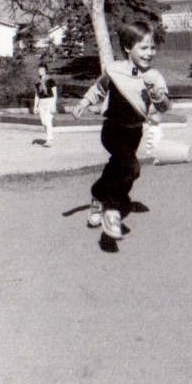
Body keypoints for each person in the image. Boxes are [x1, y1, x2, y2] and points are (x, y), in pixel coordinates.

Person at [72, 20, 170, 240]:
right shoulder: (115, 70)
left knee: (118, 167)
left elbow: (165, 105)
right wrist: (84, 103)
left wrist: (157, 96)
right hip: (112, 129)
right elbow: (99, 88)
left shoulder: (154, 76)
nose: (149, 53)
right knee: (130, 167)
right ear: (127, 48)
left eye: (152, 47)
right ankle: (113, 212)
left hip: (134, 132)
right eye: (143, 47)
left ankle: (98, 196)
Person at [33, 63, 58, 147]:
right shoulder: (37, 82)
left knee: (48, 121)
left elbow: (55, 94)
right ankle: (48, 137)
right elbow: (37, 95)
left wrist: (53, 105)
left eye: (41, 69)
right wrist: (35, 106)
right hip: (41, 102)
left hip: (49, 101)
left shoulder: (51, 80)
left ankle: (49, 139)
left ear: (45, 70)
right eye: (39, 69)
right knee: (44, 122)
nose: (39, 71)